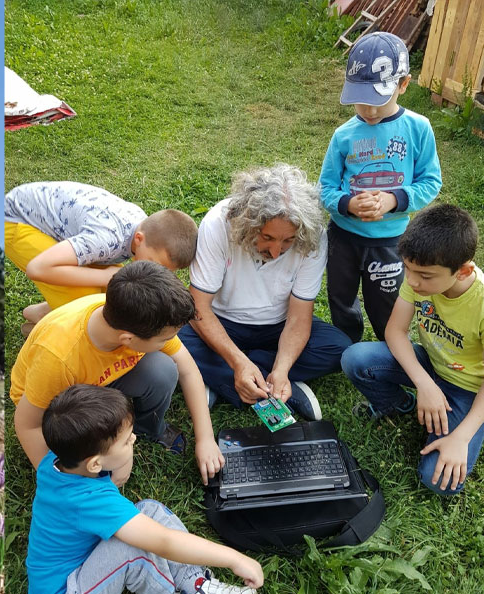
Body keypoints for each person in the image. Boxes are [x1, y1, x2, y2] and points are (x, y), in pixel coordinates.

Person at [27, 385, 263, 594]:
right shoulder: (88, 500)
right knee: (128, 547)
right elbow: (164, 541)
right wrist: (236, 559)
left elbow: (118, 474)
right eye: (126, 440)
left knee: (148, 509)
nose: (134, 439)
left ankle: (196, 584)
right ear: (95, 463)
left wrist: (120, 450)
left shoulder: (57, 461)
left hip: (75, 571)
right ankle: (168, 592)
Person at [11, 261, 227, 483]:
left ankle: (147, 430)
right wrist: (59, 485)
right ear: (128, 339)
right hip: (59, 401)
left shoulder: (133, 317)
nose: (170, 343)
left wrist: (206, 439)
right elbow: (28, 424)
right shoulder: (59, 358)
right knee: (107, 472)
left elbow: (188, 370)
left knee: (162, 370)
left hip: (98, 381)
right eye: (165, 339)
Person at [179, 165, 350, 420]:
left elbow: (299, 317)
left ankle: (231, 379)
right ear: (247, 222)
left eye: (288, 241)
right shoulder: (218, 223)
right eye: (266, 237)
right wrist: (238, 361)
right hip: (222, 322)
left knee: (338, 348)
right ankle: (267, 384)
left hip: (278, 327)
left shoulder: (313, 236)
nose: (275, 251)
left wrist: (282, 367)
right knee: (172, 339)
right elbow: (199, 307)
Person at [342, 205, 484, 496]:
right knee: (356, 359)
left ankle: (466, 425)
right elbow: (395, 331)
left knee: (439, 482)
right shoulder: (418, 276)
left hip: (470, 390)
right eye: (408, 269)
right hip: (432, 365)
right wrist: (425, 384)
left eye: (425, 276)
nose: (413, 281)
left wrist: (462, 436)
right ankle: (401, 405)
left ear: (464, 271)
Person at [319, 31, 442, 344]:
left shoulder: (418, 128)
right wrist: (346, 204)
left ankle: (390, 348)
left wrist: (395, 199)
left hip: (390, 241)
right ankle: (345, 347)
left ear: (403, 85)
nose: (369, 111)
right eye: (361, 101)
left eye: (378, 100)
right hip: (344, 239)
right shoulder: (343, 135)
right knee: (341, 297)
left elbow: (431, 181)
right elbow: (326, 188)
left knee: (385, 303)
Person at [4, 181, 198, 333]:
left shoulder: (143, 232)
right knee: (87, 302)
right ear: (139, 239)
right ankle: (49, 325)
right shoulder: (106, 239)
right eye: (154, 264)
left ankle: (40, 313)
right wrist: (106, 276)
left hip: (50, 224)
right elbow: (38, 268)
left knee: (114, 289)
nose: (153, 272)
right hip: (15, 222)